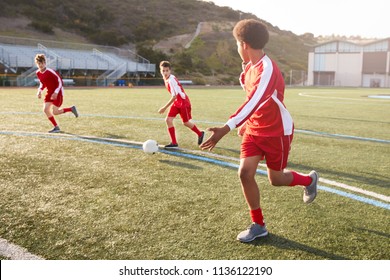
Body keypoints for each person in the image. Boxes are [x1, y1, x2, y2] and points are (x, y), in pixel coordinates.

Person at [200, 19, 318, 243]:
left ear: (243, 44)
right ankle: (258, 224)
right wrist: (245, 123)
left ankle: (308, 180)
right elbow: (253, 102)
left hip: (277, 132)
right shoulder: (246, 71)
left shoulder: (268, 69)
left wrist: (226, 128)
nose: (237, 48)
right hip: (254, 131)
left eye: (236, 44)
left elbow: (255, 100)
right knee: (245, 173)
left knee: (276, 179)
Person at [158, 60, 204, 148]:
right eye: (163, 71)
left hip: (183, 103)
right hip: (176, 103)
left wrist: (164, 108)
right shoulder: (166, 78)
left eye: (167, 70)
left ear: (170, 71)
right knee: (168, 120)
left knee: (186, 122)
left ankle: (200, 133)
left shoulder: (171, 80)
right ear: (160, 71)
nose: (165, 72)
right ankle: (174, 143)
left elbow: (174, 96)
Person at [35, 54, 78, 133]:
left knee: (55, 112)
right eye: (38, 64)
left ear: (45, 63)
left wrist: (56, 92)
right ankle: (56, 127)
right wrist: (39, 91)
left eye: (42, 63)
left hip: (58, 92)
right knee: (46, 110)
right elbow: (42, 83)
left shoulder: (50, 71)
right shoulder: (38, 73)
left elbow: (60, 82)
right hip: (49, 92)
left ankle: (71, 109)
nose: (40, 65)